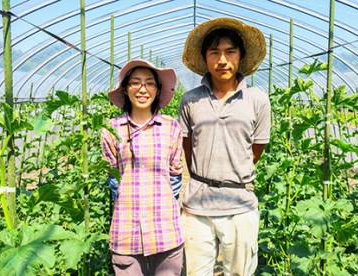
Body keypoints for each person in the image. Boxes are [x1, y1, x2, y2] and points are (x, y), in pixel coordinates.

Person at [179, 18, 271, 275]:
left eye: (230, 52)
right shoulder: (190, 100)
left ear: (240, 57)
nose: (222, 60)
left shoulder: (257, 99)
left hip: (239, 204)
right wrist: (205, 174)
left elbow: (257, 147)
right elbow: (188, 147)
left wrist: (232, 173)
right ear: (205, 58)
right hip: (197, 205)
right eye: (215, 52)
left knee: (239, 272)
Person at [101, 59, 184, 276]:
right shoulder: (110, 129)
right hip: (126, 229)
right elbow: (113, 179)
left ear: (157, 90)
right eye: (135, 83)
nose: (142, 89)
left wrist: (161, 202)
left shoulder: (171, 127)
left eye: (150, 83)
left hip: (165, 228)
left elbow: (175, 175)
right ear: (126, 89)